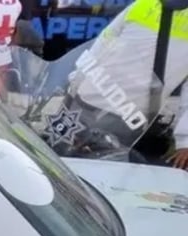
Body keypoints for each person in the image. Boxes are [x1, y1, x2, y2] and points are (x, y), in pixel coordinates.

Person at [68, 0, 188, 168]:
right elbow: (103, 43)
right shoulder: (142, 5)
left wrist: (75, 83)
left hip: (102, 105)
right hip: (122, 112)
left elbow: (102, 43)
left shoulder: (142, 5)